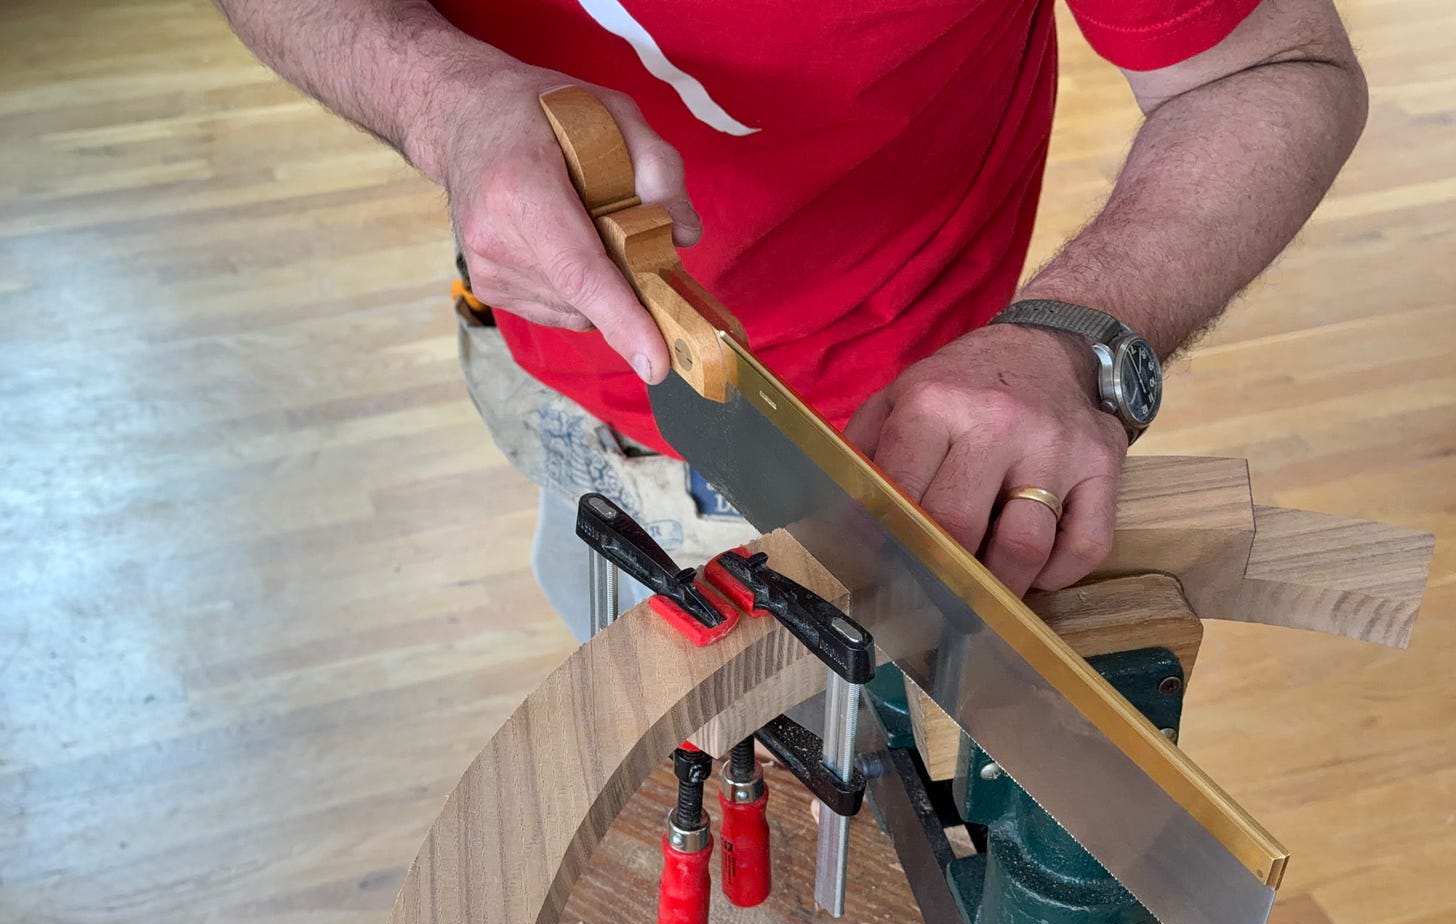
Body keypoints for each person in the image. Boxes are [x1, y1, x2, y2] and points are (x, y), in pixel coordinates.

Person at [215, 0, 1366, 639]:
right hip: (540, 363)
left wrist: (1075, 338)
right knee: (613, 656)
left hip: (883, 459)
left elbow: (1266, 69)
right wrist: (442, 103)